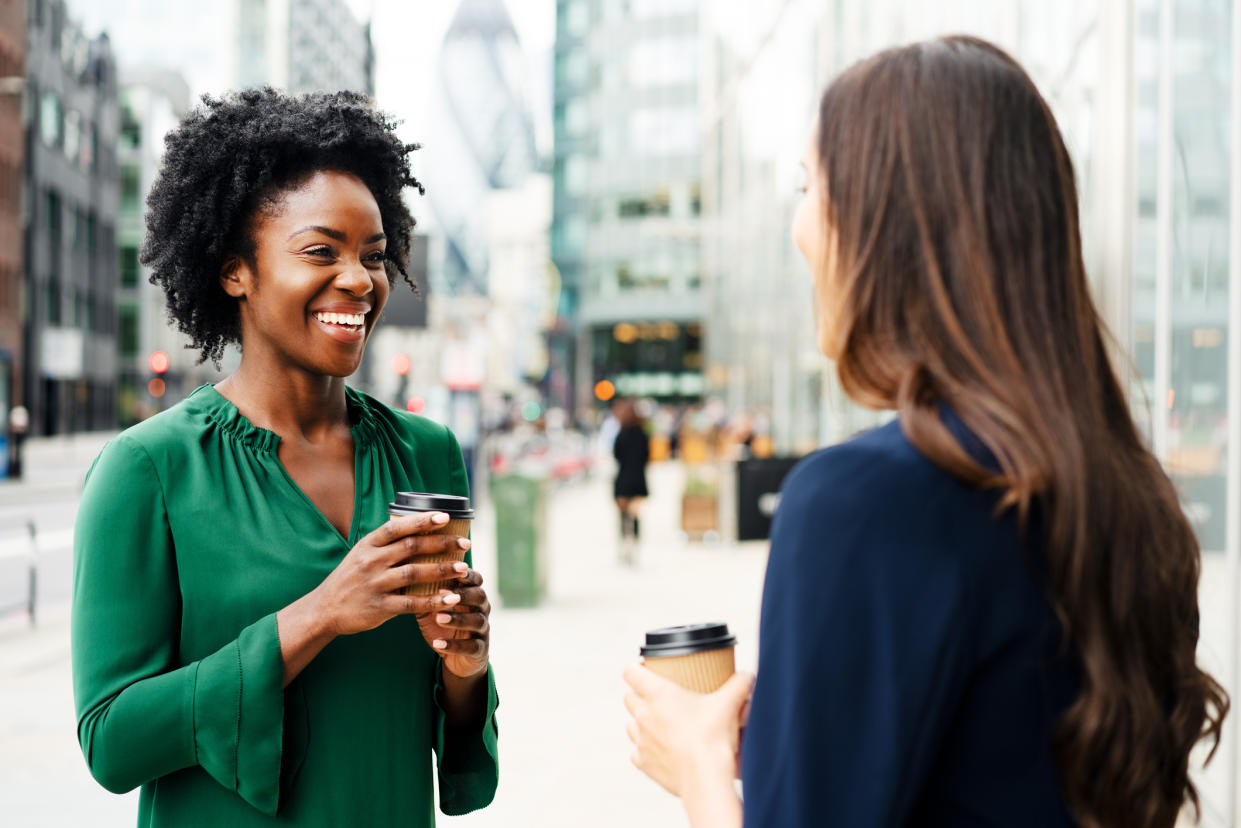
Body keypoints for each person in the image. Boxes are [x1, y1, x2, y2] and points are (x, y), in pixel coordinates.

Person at [622, 36, 1228, 828]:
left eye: (808, 186)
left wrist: (696, 764)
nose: (798, 229)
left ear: (880, 223)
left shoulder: (858, 502)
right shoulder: (1126, 497)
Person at [71, 89, 498, 826]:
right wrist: (321, 615)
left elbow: (455, 750)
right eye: (319, 251)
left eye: (373, 255)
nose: (360, 281)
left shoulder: (425, 453)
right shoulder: (148, 470)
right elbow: (111, 742)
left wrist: (466, 666)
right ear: (236, 270)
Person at [612, 398, 650, 565]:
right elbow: (647, 457)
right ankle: (633, 546)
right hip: (638, 479)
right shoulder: (642, 434)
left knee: (622, 516)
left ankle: (623, 547)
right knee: (635, 516)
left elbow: (616, 456)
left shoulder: (621, 434)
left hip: (623, 479)